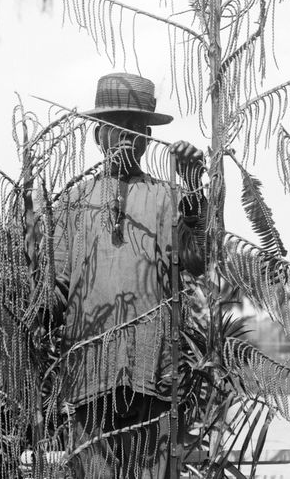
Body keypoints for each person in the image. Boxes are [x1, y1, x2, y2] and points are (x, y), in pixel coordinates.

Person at [50, 72, 207, 479]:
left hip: (152, 373)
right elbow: (56, 290)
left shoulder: (168, 197)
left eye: (134, 127)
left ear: (146, 138)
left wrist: (193, 185)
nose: (124, 136)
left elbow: (197, 261)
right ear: (97, 135)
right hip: (89, 374)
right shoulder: (72, 203)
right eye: (114, 126)